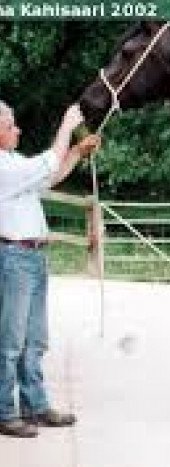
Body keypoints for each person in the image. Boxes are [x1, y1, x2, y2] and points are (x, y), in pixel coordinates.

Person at [0, 100, 100, 438]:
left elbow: (49, 175)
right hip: (13, 258)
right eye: (11, 125)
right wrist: (66, 127)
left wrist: (75, 152)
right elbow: (47, 162)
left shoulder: (13, 162)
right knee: (11, 340)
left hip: (31, 258)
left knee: (34, 339)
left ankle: (35, 406)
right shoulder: (2, 167)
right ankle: (4, 411)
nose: (18, 129)